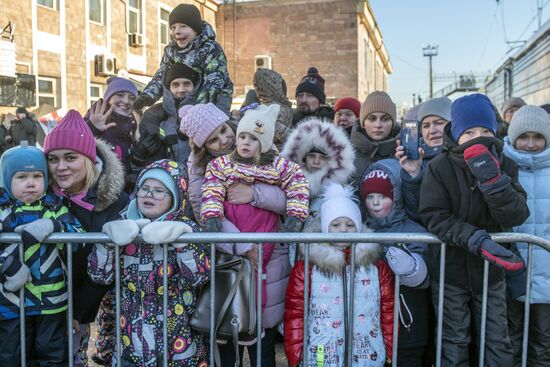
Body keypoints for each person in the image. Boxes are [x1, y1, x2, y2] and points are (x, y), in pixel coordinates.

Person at [419, 94, 529, 366]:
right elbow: (434, 215)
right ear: (456, 134)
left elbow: (517, 214)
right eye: (469, 132)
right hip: (451, 272)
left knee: (496, 339)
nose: (477, 137)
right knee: (453, 342)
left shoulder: (505, 164)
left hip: (491, 275)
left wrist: (494, 182)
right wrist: (475, 239)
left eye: (485, 131)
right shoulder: (439, 167)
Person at [200, 104, 309, 367]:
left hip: (266, 242)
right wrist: (213, 216)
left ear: (265, 143)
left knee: (263, 339)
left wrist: (296, 215)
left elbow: (298, 184)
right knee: (230, 329)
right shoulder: (222, 165)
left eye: (254, 139)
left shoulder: (277, 166)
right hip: (233, 247)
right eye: (243, 137)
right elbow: (212, 188)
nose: (246, 143)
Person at [179, 103, 291, 360]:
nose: (223, 140)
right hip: (230, 260)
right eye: (212, 141)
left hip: (270, 256)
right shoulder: (200, 169)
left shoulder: (262, 148)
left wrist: (255, 194)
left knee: (263, 336)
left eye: (223, 130)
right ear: (202, 148)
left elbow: (290, 198)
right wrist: (244, 246)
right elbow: (206, 214)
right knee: (229, 331)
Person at [88, 159, 210, 366]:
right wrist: (107, 241)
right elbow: (99, 275)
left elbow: (199, 276)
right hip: (130, 328)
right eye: (144, 188)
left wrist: (182, 241)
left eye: (159, 190)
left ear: (175, 197)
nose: (149, 195)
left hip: (177, 331)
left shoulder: (186, 228)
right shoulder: (125, 223)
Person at [44, 110, 130, 366]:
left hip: (85, 303)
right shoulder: (39, 195)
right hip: (42, 303)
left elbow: (105, 267)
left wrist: (80, 313)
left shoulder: (114, 201)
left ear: (89, 159)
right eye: (53, 159)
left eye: (70, 158)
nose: (60, 167)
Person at [284, 183, 394, 367]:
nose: (343, 229)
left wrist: (390, 350)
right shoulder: (307, 268)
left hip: (368, 355)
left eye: (350, 224)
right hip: (321, 355)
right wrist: (296, 355)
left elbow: (388, 311)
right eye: (335, 224)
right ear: (326, 227)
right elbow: (295, 314)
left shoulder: (376, 268)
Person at [0, 143, 82, 366]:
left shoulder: (54, 206)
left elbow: (79, 235)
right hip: (11, 302)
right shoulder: (3, 209)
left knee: (53, 355)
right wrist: (6, 266)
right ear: (7, 180)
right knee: (11, 356)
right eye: (22, 177)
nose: (31, 183)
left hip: (51, 300)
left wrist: (53, 226)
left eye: (37, 176)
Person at [359, 159, 431, 367]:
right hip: (368, 329)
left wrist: (412, 268)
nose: (375, 203)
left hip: (407, 326)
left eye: (383, 196)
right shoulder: (357, 230)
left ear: (396, 197)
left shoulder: (413, 230)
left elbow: (425, 278)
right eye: (370, 197)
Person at [502, 105, 550, 366]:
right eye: (523, 137)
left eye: (538, 137)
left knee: (543, 342)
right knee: (510, 339)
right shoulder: (501, 164)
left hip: (547, 276)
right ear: (512, 137)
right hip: (512, 274)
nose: (530, 144)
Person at [133, 4, 233, 113]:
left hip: (214, 99)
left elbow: (214, 82)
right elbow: (161, 76)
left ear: (195, 30)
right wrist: (147, 96)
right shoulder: (171, 51)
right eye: (173, 27)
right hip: (183, 98)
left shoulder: (210, 49)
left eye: (183, 26)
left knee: (206, 124)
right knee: (151, 115)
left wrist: (197, 110)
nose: (177, 31)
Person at [281, 117, 355, 263]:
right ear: (303, 157)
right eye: (312, 156)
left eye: (322, 157)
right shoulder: (287, 185)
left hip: (322, 262)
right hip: (289, 258)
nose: (316, 161)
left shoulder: (337, 193)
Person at [131, 63, 201, 172]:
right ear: (168, 88)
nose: (181, 89)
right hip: (165, 183)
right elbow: (140, 166)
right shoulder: (153, 115)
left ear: (195, 86)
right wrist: (140, 154)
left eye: (187, 84)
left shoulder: (204, 113)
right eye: (175, 85)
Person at [395, 97, 451, 222]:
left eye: (439, 122)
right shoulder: (416, 161)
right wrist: (413, 175)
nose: (432, 130)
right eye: (426, 125)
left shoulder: (465, 156)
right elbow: (416, 214)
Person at [85, 76, 138, 181]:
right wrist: (92, 128)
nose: (126, 101)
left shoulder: (132, 130)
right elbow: (70, 146)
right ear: (108, 98)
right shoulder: (89, 122)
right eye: (120, 95)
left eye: (132, 98)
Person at [350, 91, 400, 183]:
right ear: (363, 123)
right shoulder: (345, 153)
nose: (378, 125)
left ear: (393, 123)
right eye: (372, 119)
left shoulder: (404, 154)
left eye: (385, 119)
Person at [253, 68, 294, 147]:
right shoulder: (274, 108)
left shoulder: (261, 107)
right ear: (275, 87)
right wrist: (296, 138)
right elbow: (271, 126)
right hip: (277, 153)